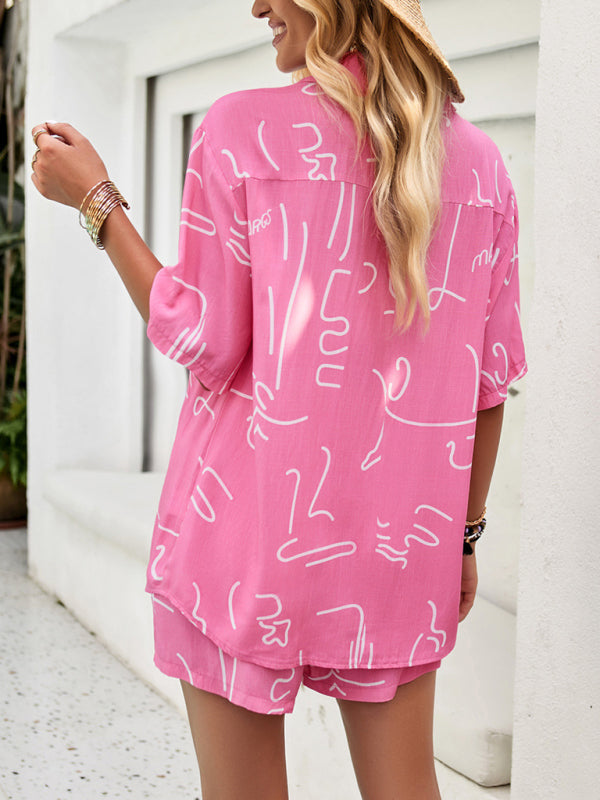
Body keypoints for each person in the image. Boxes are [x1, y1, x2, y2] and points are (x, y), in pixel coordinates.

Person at [31, 1, 527, 797]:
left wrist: (98, 202)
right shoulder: (479, 165)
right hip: (399, 553)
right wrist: (462, 540)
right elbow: (488, 387)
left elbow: (205, 340)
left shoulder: (239, 131)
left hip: (240, 544)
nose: (257, 4)